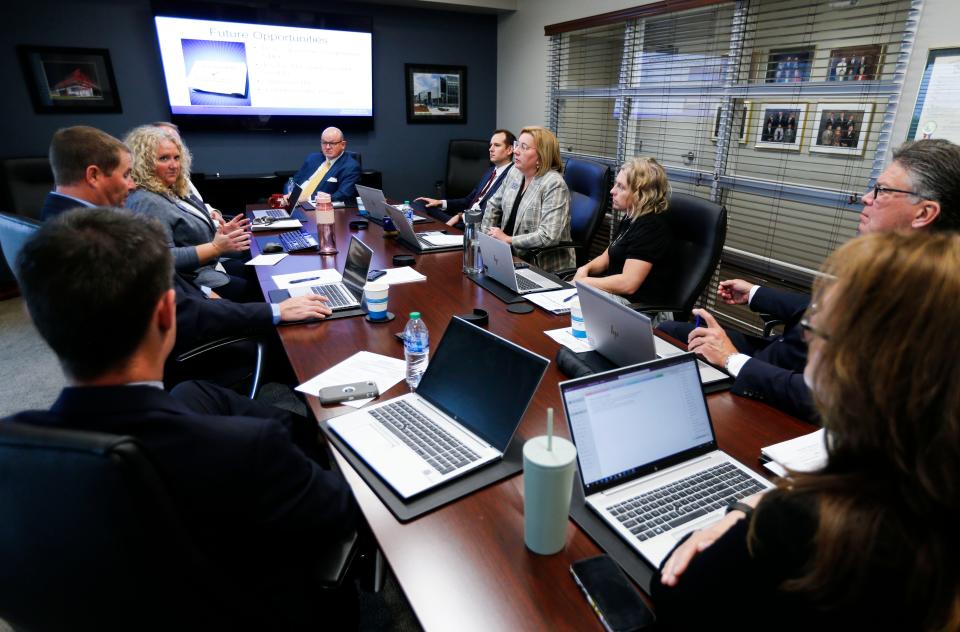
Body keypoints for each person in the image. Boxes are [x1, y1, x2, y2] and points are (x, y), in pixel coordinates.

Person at [7, 207, 360, 629]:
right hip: (256, 607)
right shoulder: (245, 449)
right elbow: (340, 511)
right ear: (166, 312)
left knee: (196, 392)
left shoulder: (13, 447)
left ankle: (309, 436)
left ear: (35, 316)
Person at [651, 230, 960, 630]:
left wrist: (747, 509)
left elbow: (672, 590)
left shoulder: (812, 522)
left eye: (817, 333)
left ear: (861, 366)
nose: (808, 342)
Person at [659, 138, 960, 421]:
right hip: (779, 354)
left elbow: (829, 399)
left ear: (924, 213)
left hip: (789, 386)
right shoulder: (893, 265)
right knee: (669, 332)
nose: (866, 199)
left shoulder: (919, 298)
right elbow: (820, 307)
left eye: (882, 190)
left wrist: (731, 360)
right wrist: (755, 293)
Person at [124, 125, 256, 302]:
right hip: (191, 285)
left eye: (177, 158)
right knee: (260, 290)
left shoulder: (170, 188)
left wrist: (220, 234)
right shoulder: (147, 200)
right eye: (164, 158)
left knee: (260, 273)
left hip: (208, 269)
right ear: (143, 162)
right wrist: (216, 247)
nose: (174, 165)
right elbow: (164, 259)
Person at [572, 157, 673, 304]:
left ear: (641, 193)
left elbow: (628, 284)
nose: (612, 191)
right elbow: (606, 258)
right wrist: (584, 269)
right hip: (615, 298)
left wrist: (585, 282)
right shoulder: (631, 216)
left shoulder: (652, 226)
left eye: (621, 187)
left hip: (638, 309)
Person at [480, 125, 574, 273]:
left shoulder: (554, 184)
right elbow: (493, 204)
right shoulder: (515, 172)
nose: (516, 151)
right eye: (517, 145)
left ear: (541, 156)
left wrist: (508, 239)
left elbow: (548, 236)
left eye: (524, 147)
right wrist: (486, 241)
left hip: (540, 267)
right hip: (506, 257)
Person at [415, 129, 516, 226]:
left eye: (497, 145)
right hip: (461, 220)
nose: (490, 149)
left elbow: (494, 212)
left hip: (474, 226)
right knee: (421, 203)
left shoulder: (512, 176)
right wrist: (440, 202)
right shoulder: (490, 171)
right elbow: (467, 201)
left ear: (510, 149)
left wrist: (460, 216)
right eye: (490, 145)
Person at [40, 126, 135, 221]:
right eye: (126, 175)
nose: (133, 185)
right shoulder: (89, 233)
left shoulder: (49, 221)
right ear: (93, 176)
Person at [289, 126, 361, 204]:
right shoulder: (313, 158)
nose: (327, 147)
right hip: (296, 203)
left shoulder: (350, 166)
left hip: (319, 207)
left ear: (343, 144)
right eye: (324, 143)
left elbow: (343, 194)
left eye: (332, 143)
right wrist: (291, 195)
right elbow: (296, 180)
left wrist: (308, 198)